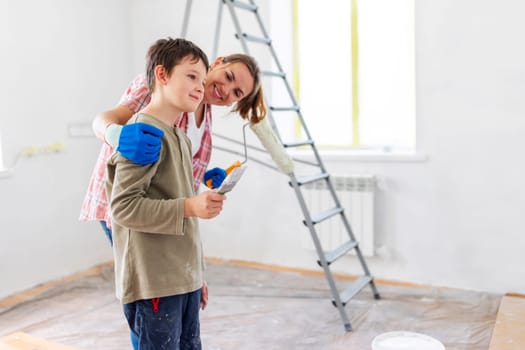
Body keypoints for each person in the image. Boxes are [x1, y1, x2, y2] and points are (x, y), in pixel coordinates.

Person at [106, 37, 221, 349]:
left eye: (202, 78)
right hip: (155, 283)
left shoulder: (181, 138)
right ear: (162, 74)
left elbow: (185, 213)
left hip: (182, 280)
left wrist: (197, 275)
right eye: (191, 76)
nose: (201, 86)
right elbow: (124, 208)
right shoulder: (142, 133)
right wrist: (189, 206)